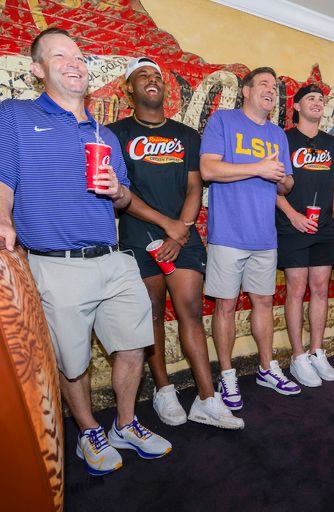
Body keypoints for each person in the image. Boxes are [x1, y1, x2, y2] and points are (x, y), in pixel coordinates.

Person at [0, 28, 172, 477]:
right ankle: (88, 430)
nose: (75, 61)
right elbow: (3, 177)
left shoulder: (104, 134)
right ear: (38, 69)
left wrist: (117, 190)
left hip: (113, 258)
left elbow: (121, 198)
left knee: (134, 344)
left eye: (79, 55)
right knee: (71, 362)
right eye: (60, 56)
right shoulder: (14, 115)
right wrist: (2, 219)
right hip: (56, 263)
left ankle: (126, 423)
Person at [109, 57, 243, 429]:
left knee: (190, 310)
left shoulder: (185, 134)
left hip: (183, 237)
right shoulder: (114, 133)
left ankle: (206, 399)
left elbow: (194, 186)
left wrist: (180, 229)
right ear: (129, 89)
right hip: (139, 234)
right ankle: (164, 389)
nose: (152, 80)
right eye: (143, 76)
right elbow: (120, 192)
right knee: (150, 313)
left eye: (157, 76)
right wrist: (167, 225)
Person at [200, 66, 299, 410]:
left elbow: (285, 183)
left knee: (263, 303)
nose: (271, 90)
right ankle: (227, 374)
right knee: (225, 305)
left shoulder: (278, 135)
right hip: (227, 233)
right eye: (264, 84)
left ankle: (266, 368)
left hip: (264, 236)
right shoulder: (223, 122)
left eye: (275, 86)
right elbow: (209, 169)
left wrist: (284, 180)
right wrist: (258, 167)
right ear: (246, 90)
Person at [276, 84, 334, 387]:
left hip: (325, 226)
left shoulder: (332, 143)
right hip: (293, 224)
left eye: (321, 99)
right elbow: (272, 185)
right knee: (296, 288)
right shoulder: (283, 138)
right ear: (297, 106)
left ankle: (317, 350)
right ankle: (298, 355)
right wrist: (293, 215)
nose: (317, 102)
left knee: (320, 288)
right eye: (311, 99)